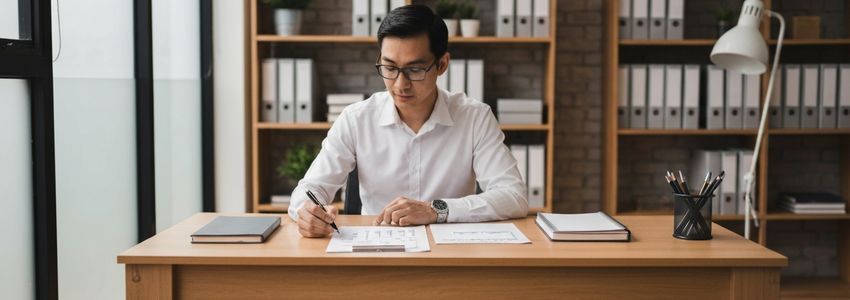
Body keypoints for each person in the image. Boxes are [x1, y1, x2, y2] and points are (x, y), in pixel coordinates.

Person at [289, 4, 527, 237]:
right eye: (390, 68)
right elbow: (310, 189)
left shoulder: (475, 118)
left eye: (414, 70)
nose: (400, 84)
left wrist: (435, 210)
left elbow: (513, 196)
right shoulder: (356, 119)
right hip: (377, 249)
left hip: (451, 254)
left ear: (442, 64)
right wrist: (307, 213)